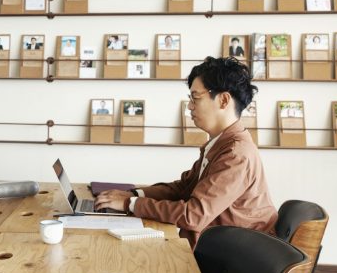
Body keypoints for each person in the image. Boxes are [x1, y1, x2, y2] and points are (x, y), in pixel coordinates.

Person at [95, 57, 277, 244]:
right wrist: (134, 195)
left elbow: (193, 215)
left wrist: (130, 204)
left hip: (238, 254)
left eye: (195, 98)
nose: (190, 106)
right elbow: (184, 188)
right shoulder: (221, 142)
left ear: (223, 100)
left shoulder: (236, 153)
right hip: (224, 244)